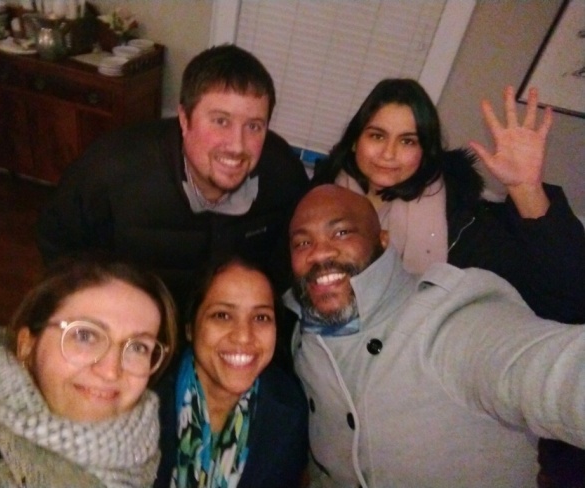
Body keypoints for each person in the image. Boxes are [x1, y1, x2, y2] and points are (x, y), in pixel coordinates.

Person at [311, 79, 585, 485]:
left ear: (425, 152)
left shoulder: (462, 222)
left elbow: (567, 301)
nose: (388, 154)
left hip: (431, 417)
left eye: (407, 141)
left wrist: (528, 191)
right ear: (355, 141)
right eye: (377, 136)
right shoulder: (316, 206)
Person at [284, 184, 585, 488]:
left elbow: (546, 368)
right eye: (302, 242)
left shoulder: (446, 314)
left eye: (341, 233)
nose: (319, 252)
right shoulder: (300, 338)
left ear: (383, 240)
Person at [36, 44, 310, 327]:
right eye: (220, 121)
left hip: (227, 331)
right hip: (136, 325)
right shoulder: (110, 170)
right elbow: (59, 243)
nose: (237, 145)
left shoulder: (283, 176)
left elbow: (288, 262)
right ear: (184, 118)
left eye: (254, 126)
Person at [0, 257, 178, 487]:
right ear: (27, 346)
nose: (111, 371)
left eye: (138, 347)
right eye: (85, 335)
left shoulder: (152, 446)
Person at [154, 256, 308, 488]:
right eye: (222, 315)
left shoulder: (289, 409)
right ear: (190, 328)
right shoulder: (145, 399)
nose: (244, 336)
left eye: (260, 317)